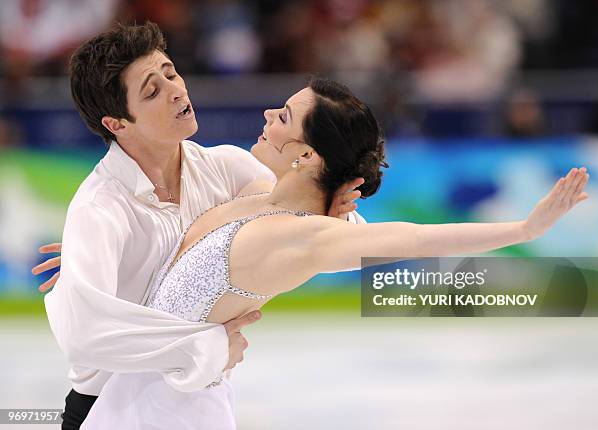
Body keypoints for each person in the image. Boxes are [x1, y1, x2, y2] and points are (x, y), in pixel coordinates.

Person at [80, 77, 589, 429]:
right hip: (133, 401)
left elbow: (413, 238)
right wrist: (105, 249)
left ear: (305, 154)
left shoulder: (302, 236)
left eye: (282, 116)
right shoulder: (258, 195)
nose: (266, 115)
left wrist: (524, 229)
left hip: (172, 413)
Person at [35, 22, 363, 430]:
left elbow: (335, 239)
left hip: (191, 403)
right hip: (109, 409)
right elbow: (85, 338)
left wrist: (332, 208)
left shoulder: (225, 167)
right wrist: (207, 347)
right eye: (152, 91)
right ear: (117, 124)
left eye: (171, 72)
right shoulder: (100, 207)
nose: (176, 90)